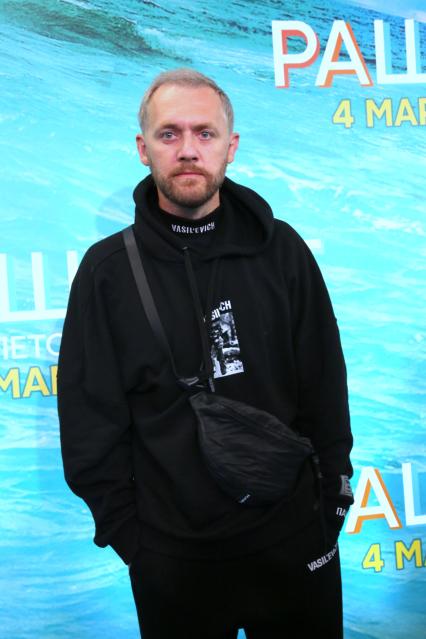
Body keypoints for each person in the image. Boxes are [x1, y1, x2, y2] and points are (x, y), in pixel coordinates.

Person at [58, 68, 354, 639]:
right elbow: (89, 420)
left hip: (295, 542)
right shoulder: (106, 272)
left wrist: (331, 504)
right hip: (174, 562)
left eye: (205, 133)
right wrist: (135, 542)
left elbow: (325, 384)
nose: (188, 150)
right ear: (143, 149)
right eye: (169, 134)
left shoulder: (282, 250)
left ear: (230, 146)